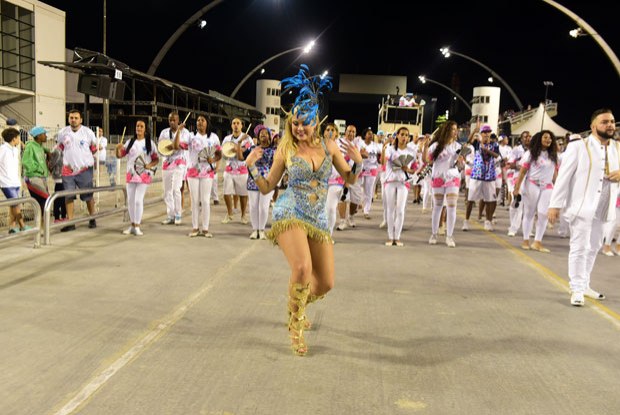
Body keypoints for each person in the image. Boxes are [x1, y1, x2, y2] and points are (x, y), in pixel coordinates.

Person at [244, 65, 362, 356]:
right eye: (294, 123)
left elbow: (349, 178)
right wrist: (251, 167)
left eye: (303, 123)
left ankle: (295, 305)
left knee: (325, 283)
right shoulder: (286, 149)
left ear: (316, 122)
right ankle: (295, 326)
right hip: (289, 211)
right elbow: (268, 186)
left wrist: (358, 161)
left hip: (318, 217)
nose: (298, 128)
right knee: (302, 269)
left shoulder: (329, 146)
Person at [548, 108, 620, 306]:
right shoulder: (580, 146)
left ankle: (585, 284)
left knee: (595, 246)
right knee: (579, 247)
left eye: (612, 121)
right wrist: (555, 205)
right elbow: (564, 177)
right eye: (605, 121)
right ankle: (577, 289)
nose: (610, 125)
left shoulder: (617, 148)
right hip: (583, 205)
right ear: (593, 126)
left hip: (605, 206)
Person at [513, 130, 558, 253]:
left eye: (550, 138)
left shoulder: (553, 155)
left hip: (547, 187)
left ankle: (538, 242)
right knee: (529, 213)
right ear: (539, 139)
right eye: (545, 137)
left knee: (543, 214)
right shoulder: (530, 154)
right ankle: (526, 240)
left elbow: (555, 174)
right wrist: (517, 188)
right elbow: (522, 172)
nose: (548, 140)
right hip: (532, 184)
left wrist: (558, 188)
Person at [56, 109, 98, 232]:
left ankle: (92, 217)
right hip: (67, 170)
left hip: (84, 170)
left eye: (76, 118)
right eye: (71, 118)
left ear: (81, 120)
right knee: (68, 196)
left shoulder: (88, 132)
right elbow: (60, 148)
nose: (73, 120)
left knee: (88, 195)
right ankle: (71, 222)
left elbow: (93, 149)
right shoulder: (62, 132)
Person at [422, 120, 462, 247]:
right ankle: (434, 234)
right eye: (453, 129)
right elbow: (427, 161)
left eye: (456, 129)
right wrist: (425, 147)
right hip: (438, 177)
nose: (455, 132)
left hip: (452, 178)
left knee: (451, 207)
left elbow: (460, 165)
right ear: (447, 130)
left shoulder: (458, 147)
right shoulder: (436, 146)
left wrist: (461, 161)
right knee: (437, 207)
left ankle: (449, 236)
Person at [116, 119, 159, 236]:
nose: (138, 128)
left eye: (141, 126)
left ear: (145, 129)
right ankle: (132, 225)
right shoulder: (130, 142)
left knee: (138, 200)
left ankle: (137, 225)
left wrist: (149, 165)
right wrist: (117, 148)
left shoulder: (150, 143)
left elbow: (156, 159)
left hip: (144, 175)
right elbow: (120, 155)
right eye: (137, 126)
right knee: (130, 201)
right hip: (131, 174)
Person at [186, 114, 221, 238]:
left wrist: (214, 160)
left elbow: (219, 154)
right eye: (198, 120)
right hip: (193, 172)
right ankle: (195, 227)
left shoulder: (213, 137)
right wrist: (179, 132)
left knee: (205, 200)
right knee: (195, 200)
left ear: (207, 123)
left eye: (202, 120)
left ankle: (205, 228)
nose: (200, 122)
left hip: (207, 172)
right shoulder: (191, 136)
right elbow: (180, 145)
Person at [382, 126, 416, 246]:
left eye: (406, 135)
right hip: (390, 181)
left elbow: (414, 169)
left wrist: (408, 169)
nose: (404, 137)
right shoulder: (390, 149)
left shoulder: (411, 151)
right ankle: (391, 237)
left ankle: (397, 236)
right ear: (397, 135)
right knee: (390, 209)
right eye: (402, 134)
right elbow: (383, 162)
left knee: (400, 210)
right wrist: (383, 148)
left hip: (403, 182)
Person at [463, 124, 499, 231]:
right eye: (485, 132)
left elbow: (496, 155)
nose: (487, 134)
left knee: (489, 200)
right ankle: (466, 221)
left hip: (489, 176)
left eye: (488, 132)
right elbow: (468, 142)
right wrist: (474, 131)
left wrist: (486, 150)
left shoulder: (494, 145)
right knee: (470, 200)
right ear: (481, 134)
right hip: (476, 175)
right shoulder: (477, 144)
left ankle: (487, 221)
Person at [159, 112, 190, 226]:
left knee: (176, 189)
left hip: (179, 163)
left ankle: (178, 214)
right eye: (170, 120)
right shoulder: (164, 133)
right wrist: (173, 145)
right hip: (167, 163)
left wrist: (174, 143)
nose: (172, 122)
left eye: (174, 120)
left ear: (178, 120)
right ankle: (170, 215)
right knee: (167, 191)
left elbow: (183, 146)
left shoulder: (185, 132)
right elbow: (162, 147)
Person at [245, 124, 275, 240]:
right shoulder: (253, 149)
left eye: (265, 133)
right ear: (258, 136)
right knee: (253, 206)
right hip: (253, 180)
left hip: (267, 181)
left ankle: (261, 230)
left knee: (263, 207)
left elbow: (274, 167)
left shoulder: (273, 151)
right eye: (261, 133)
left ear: (269, 136)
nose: (263, 135)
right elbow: (246, 162)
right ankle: (255, 229)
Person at [221, 118, 253, 224]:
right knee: (226, 193)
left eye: (238, 123)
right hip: (229, 168)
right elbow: (224, 154)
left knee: (243, 194)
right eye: (234, 123)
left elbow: (248, 151)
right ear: (231, 126)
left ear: (241, 126)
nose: (235, 125)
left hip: (242, 169)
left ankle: (243, 215)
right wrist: (229, 152)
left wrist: (239, 149)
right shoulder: (226, 139)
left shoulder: (247, 138)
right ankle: (229, 213)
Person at [0, 128, 28, 233]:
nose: (19, 140)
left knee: (13, 206)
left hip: (15, 181)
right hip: (6, 183)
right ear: (14, 138)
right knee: (17, 205)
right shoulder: (2, 149)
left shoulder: (15, 150)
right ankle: (22, 225)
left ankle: (12, 227)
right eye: (18, 138)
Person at [22, 126, 51, 214]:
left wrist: (48, 151)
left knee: (42, 201)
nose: (46, 136)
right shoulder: (30, 146)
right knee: (44, 200)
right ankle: (41, 224)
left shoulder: (39, 146)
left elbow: (43, 150)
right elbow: (26, 161)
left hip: (41, 176)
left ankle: (42, 224)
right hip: (34, 177)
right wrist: (39, 169)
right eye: (44, 134)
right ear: (38, 136)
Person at [359, 127, 381, 218]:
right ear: (365, 135)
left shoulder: (375, 145)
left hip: (372, 169)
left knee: (369, 190)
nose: (371, 135)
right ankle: (360, 203)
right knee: (359, 188)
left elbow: (381, 152)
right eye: (369, 134)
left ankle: (366, 211)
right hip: (361, 169)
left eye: (372, 134)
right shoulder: (360, 144)